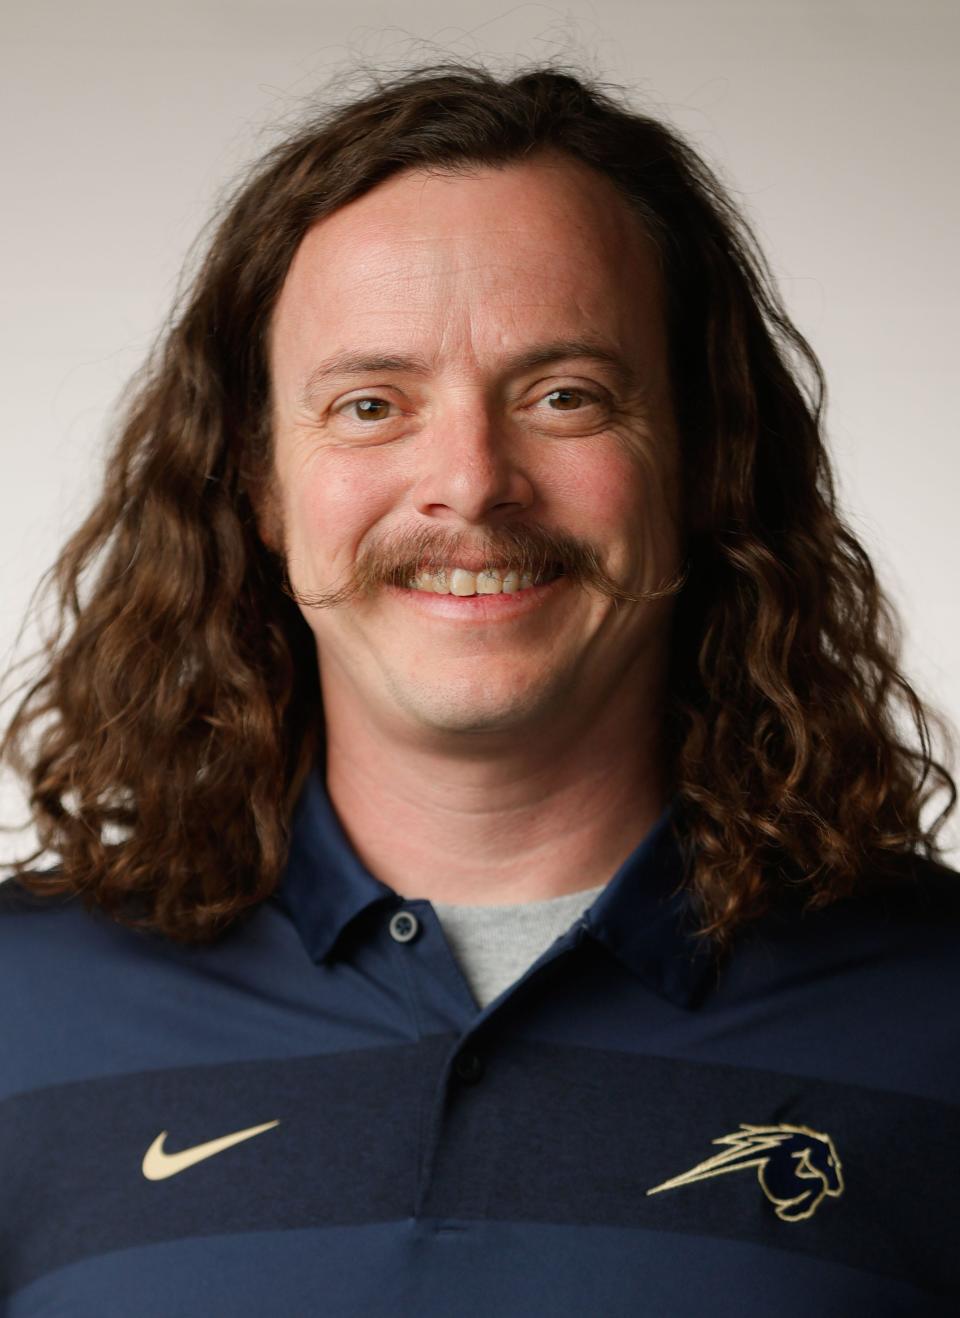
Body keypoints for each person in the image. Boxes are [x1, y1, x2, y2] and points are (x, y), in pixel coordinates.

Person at [1, 61, 958, 1316]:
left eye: (565, 396)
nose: (470, 481)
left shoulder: (936, 1013)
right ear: (260, 486)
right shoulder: (23, 1012)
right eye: (370, 404)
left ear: (707, 458)